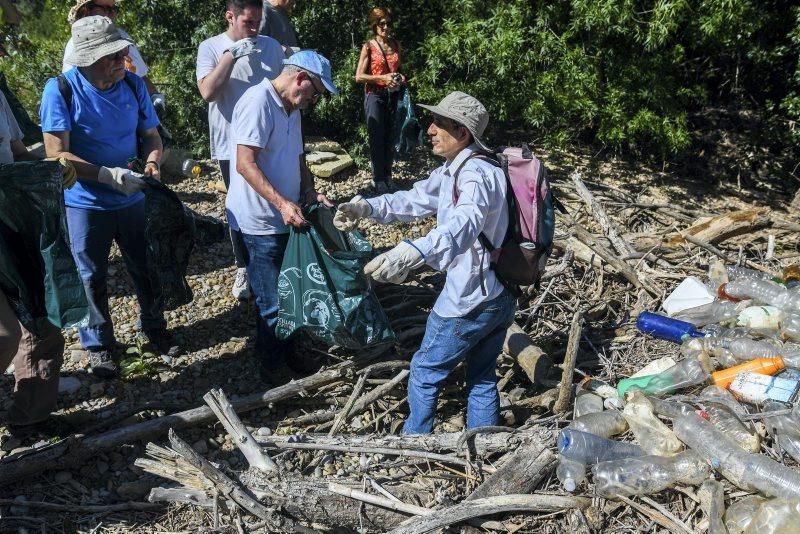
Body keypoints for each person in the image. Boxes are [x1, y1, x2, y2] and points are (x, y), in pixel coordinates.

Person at [334, 91, 516, 434]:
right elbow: (415, 198)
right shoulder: (457, 168)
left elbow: (462, 226)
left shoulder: (475, 175)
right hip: (501, 292)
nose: (429, 129)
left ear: (462, 133)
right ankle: (486, 444)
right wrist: (366, 208)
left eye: (440, 124)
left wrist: (412, 252)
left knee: (424, 372)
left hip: (470, 299)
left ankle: (415, 442)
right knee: (481, 375)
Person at [40, 16, 172, 378]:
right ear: (85, 59)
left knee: (144, 263)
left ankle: (155, 326)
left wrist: (151, 162)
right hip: (85, 201)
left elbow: (152, 135)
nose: (121, 59)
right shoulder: (61, 90)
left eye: (121, 51)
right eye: (110, 55)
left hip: (133, 196)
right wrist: (105, 175)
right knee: (90, 275)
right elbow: (56, 153)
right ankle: (98, 344)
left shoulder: (131, 85)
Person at [227, 50, 336, 384]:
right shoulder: (258, 102)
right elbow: (245, 163)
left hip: (288, 215)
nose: (313, 100)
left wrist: (308, 192)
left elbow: (298, 157)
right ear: (300, 79)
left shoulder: (292, 107)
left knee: (292, 290)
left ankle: (288, 352)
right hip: (260, 221)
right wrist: (282, 204)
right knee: (271, 298)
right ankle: (272, 369)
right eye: (315, 92)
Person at [196, 0, 285, 301]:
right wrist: (230, 57)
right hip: (230, 142)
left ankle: (275, 259)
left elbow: (284, 89)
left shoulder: (271, 46)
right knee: (240, 206)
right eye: (248, 22)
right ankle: (243, 264)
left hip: (271, 140)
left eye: (258, 21)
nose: (254, 28)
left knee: (275, 196)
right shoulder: (210, 47)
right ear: (230, 17)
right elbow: (208, 92)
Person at [0, 85, 77, 428]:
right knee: (5, 335)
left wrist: (51, 167)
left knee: (42, 317)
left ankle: (32, 417)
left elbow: (15, 152)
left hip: (13, 220)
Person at [62, 0, 163, 110]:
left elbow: (141, 76)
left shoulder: (122, 36)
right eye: (106, 8)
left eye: (113, 8)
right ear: (86, 10)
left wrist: (154, 96)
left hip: (134, 115)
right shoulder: (78, 44)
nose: (112, 13)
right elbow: (72, 86)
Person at [354, 7, 406, 194]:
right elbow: (359, 76)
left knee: (390, 136)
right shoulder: (369, 46)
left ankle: (388, 176)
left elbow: (400, 70)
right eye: (381, 23)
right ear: (374, 25)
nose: (385, 27)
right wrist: (382, 78)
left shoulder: (395, 44)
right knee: (377, 136)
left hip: (392, 95)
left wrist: (399, 78)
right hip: (374, 95)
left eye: (388, 23)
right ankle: (379, 179)